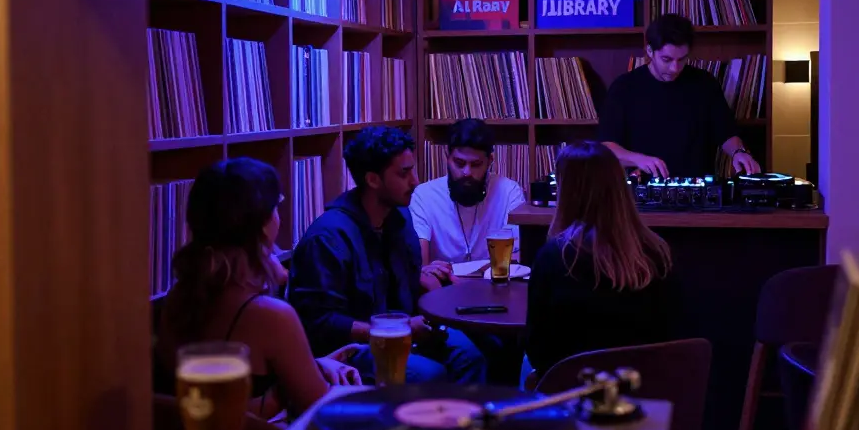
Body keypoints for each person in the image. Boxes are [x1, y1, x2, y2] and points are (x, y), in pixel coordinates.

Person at [156, 158, 363, 430]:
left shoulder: (178, 296)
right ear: (263, 224)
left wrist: (313, 366)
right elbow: (319, 410)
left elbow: (212, 402)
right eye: (277, 206)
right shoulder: (270, 315)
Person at [288, 126, 488, 384]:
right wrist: (399, 329)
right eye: (404, 173)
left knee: (471, 356)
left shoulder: (399, 217)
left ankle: (461, 423)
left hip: (401, 331)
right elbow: (320, 324)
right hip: (350, 349)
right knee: (430, 375)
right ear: (373, 180)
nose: (415, 180)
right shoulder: (328, 239)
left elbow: (404, 282)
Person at [523, 141, 680, 381]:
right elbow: (667, 336)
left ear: (566, 191)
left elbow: (538, 349)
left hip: (572, 399)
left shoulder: (554, 256)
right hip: (642, 395)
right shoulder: (656, 251)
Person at [596, 13, 763, 178]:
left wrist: (738, 152)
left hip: (697, 191)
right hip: (642, 193)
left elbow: (726, 132)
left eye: (682, 59)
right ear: (649, 51)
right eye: (666, 59)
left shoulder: (704, 83)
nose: (675, 68)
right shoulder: (624, 87)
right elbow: (607, 146)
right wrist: (639, 160)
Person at [410, 118, 527, 266]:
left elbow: (515, 260)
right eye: (459, 163)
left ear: (490, 161)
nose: (467, 172)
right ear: (447, 157)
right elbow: (421, 266)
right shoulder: (424, 196)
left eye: (476, 164)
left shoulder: (509, 192)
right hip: (444, 286)